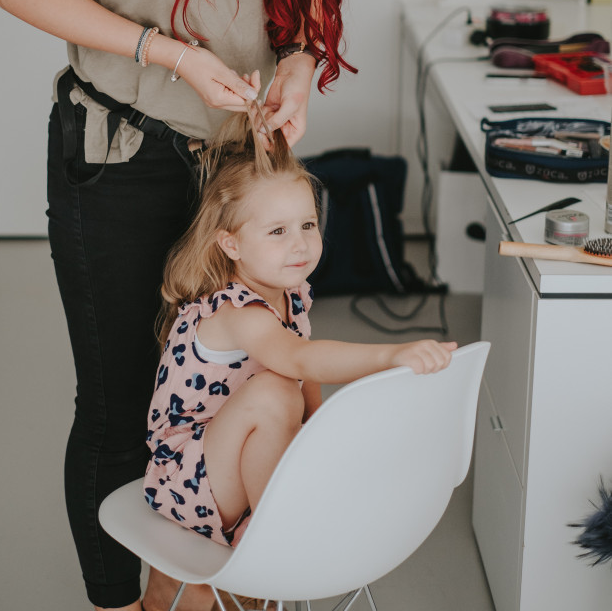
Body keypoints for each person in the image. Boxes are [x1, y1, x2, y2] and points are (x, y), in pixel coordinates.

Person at [0, 0, 365, 611]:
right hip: (118, 159)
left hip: (227, 174)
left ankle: (204, 578)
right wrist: (169, 54)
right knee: (123, 399)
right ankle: (123, 599)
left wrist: (298, 61)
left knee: (232, 381)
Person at [145, 116, 458, 548]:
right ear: (231, 244)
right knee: (275, 390)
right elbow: (299, 361)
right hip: (188, 480)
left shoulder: (290, 295)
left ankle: (285, 515)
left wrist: (314, 439)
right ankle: (276, 540)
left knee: (293, 400)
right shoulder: (237, 312)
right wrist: (391, 355)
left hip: (232, 463)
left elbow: (306, 377)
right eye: (277, 231)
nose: (299, 244)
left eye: (308, 225)